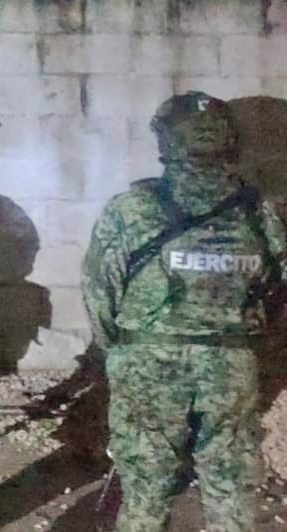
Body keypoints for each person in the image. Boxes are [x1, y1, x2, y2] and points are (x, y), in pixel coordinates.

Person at [82, 92, 285, 531]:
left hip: (148, 363)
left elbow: (99, 293)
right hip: (231, 363)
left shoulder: (131, 209)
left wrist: (118, 350)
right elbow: (276, 288)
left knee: (145, 491)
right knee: (230, 489)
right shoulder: (258, 210)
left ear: (167, 142)